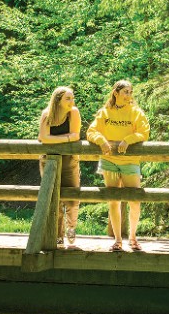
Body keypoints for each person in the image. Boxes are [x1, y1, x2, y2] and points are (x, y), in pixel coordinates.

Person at [87, 80, 150, 251]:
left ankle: (132, 237)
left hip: (130, 161)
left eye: (130, 92)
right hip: (109, 162)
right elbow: (91, 132)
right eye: (125, 92)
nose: (129, 95)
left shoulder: (136, 113)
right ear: (116, 93)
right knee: (113, 201)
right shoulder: (105, 113)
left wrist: (127, 140)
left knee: (134, 200)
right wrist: (101, 141)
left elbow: (144, 132)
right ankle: (117, 240)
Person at [37, 86, 82, 248]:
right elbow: (43, 137)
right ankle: (57, 235)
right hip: (49, 161)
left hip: (69, 160)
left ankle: (71, 228)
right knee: (53, 198)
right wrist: (67, 138)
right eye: (67, 99)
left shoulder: (74, 113)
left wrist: (55, 139)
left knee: (72, 196)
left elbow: (76, 135)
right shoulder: (47, 115)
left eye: (72, 98)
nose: (72, 101)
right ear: (58, 101)